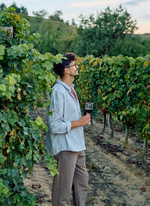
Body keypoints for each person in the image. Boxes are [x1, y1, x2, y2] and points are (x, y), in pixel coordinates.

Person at [46, 52, 90, 206]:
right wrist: (79, 122)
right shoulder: (58, 92)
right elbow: (54, 125)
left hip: (77, 145)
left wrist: (83, 120)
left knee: (82, 185)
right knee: (62, 194)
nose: (77, 67)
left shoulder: (71, 89)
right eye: (74, 65)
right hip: (65, 148)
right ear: (66, 70)